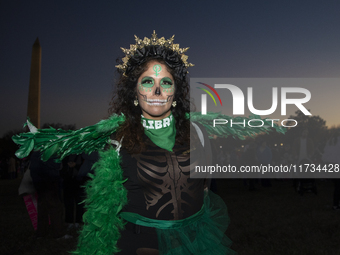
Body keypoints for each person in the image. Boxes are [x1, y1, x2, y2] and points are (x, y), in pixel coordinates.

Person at [12, 31, 285, 254]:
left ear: (176, 92)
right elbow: (105, 206)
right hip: (140, 244)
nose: (156, 90)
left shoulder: (198, 133)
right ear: (134, 91)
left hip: (193, 242)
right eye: (147, 81)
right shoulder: (116, 139)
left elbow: (203, 187)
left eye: (166, 82)